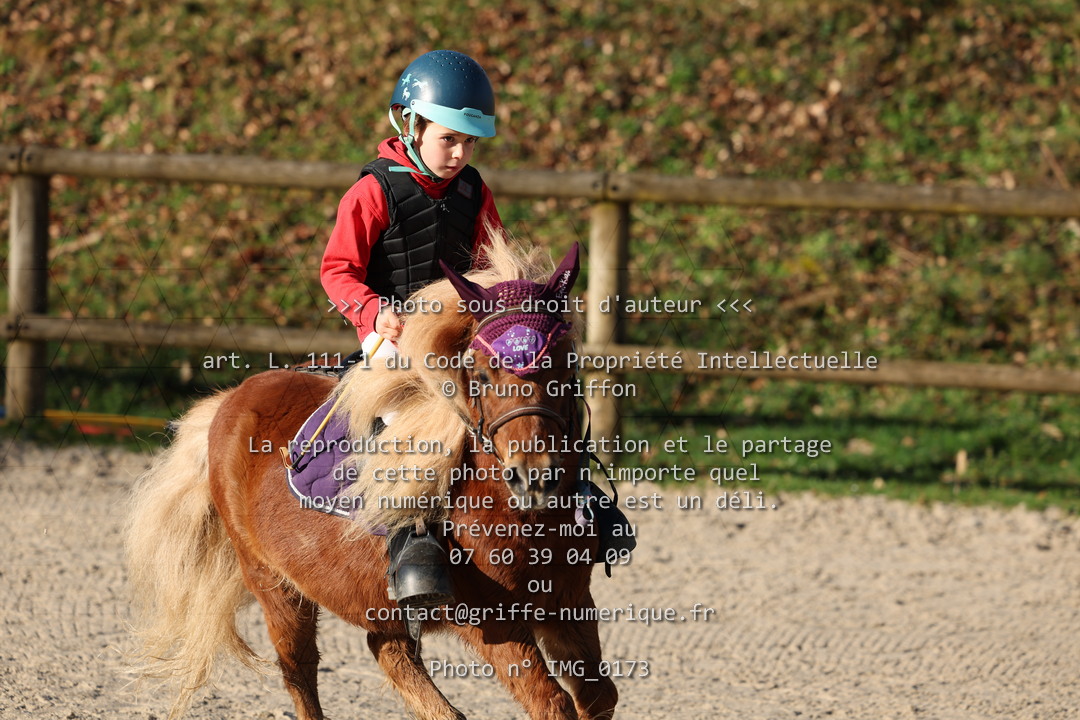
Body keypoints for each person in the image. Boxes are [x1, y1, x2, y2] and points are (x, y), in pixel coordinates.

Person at [320, 50, 503, 613]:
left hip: (456, 333)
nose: (460, 154)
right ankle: (412, 539)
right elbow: (336, 271)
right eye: (449, 139)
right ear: (412, 124)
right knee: (405, 421)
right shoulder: (373, 191)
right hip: (392, 334)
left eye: (470, 143)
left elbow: (490, 266)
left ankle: (572, 500)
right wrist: (372, 311)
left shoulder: (474, 191)